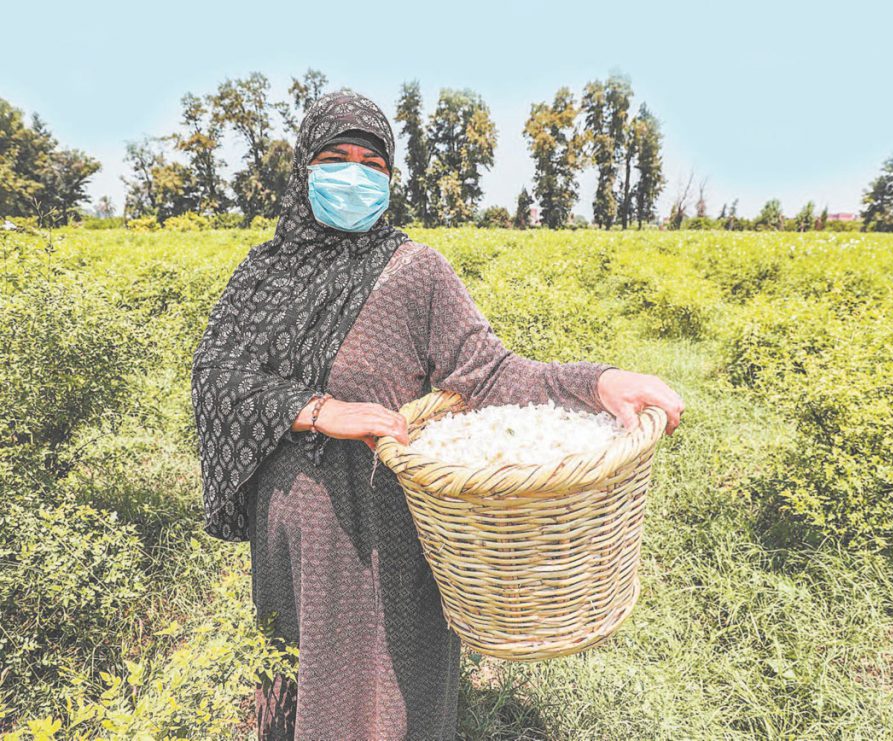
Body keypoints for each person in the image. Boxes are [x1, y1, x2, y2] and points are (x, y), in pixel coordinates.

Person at [190, 88, 684, 741]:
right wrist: (317, 408)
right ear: (303, 166)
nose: (355, 174)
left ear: (391, 177)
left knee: (395, 687)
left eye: (373, 162)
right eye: (336, 156)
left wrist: (600, 381)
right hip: (294, 535)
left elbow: (492, 373)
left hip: (386, 528)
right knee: (303, 684)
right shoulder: (264, 272)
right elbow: (218, 375)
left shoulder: (414, 272)